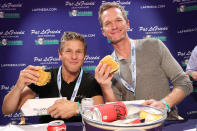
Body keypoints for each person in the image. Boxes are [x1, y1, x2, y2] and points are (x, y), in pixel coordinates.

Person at [95, 2, 192, 120]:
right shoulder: (108, 67)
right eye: (108, 23)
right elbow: (117, 113)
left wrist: (165, 104)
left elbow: (184, 82)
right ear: (103, 32)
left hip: (166, 122)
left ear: (128, 24)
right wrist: (105, 87)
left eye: (118, 20)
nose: (114, 26)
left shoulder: (154, 45)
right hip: (133, 127)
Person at [2, 31, 104, 123]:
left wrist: (78, 108)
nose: (74, 56)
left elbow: (100, 112)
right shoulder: (45, 76)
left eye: (79, 51)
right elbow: (7, 110)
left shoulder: (91, 80)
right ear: (60, 54)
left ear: (84, 56)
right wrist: (18, 86)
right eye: (68, 51)